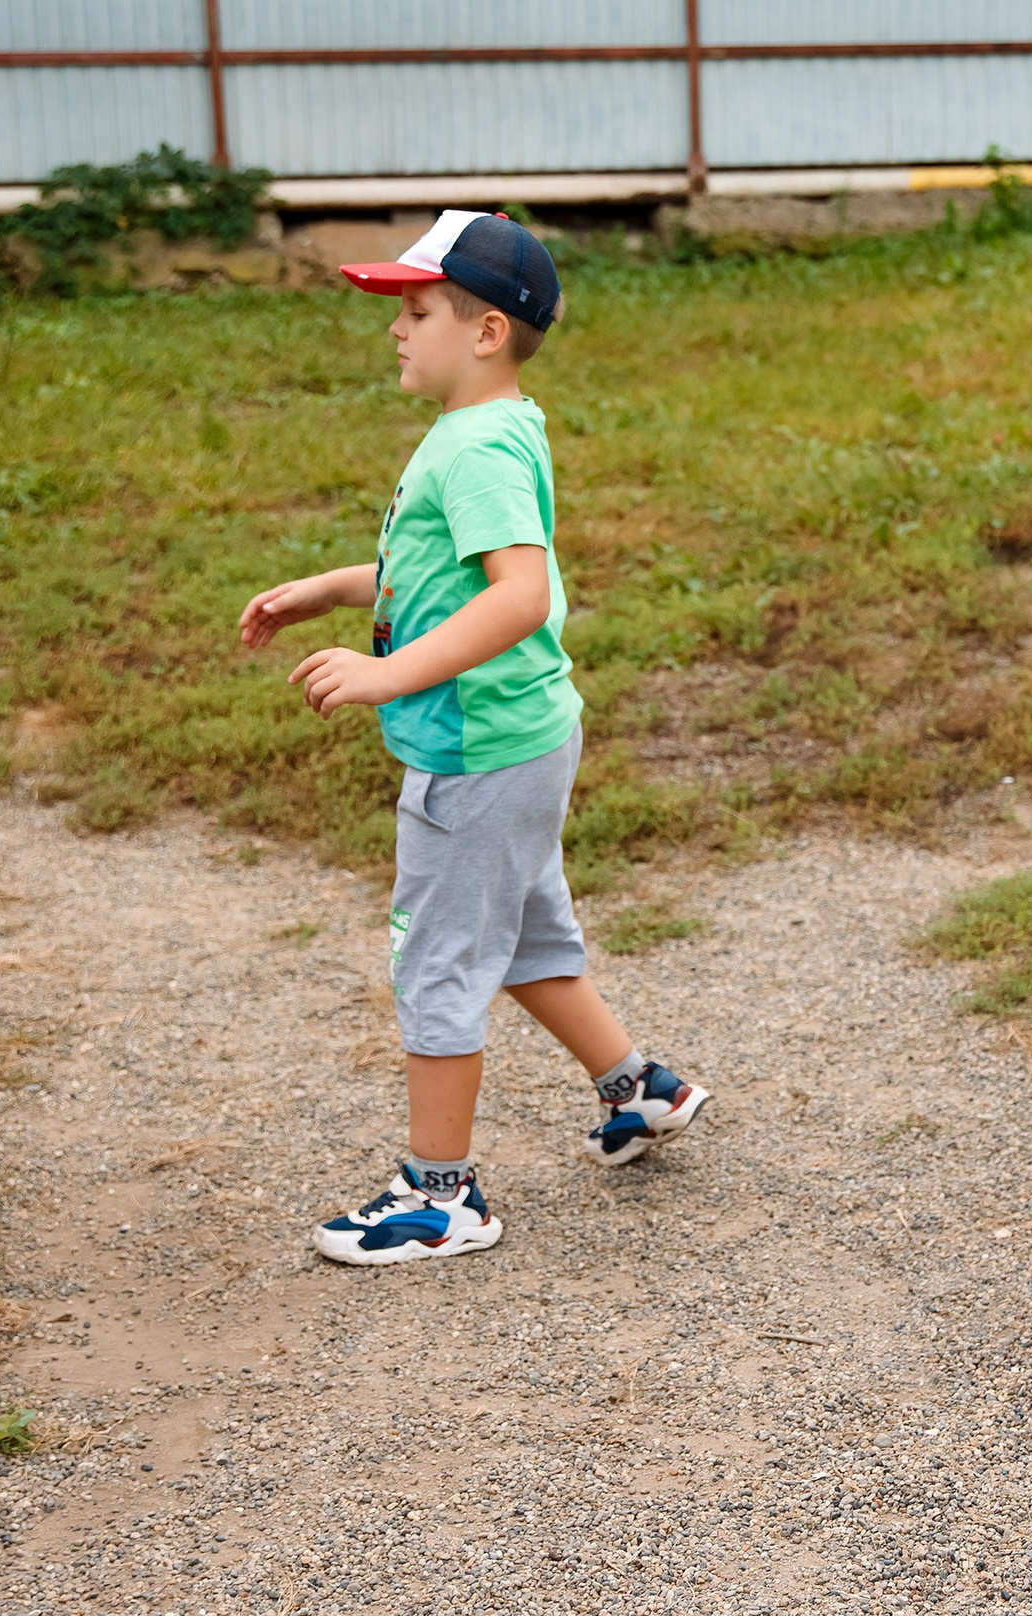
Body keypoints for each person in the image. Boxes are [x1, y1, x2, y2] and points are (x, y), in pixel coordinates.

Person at [237, 211, 710, 1267]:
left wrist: (385, 674)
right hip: (522, 737)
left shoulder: (477, 447)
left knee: (441, 961)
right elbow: (447, 580)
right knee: (528, 935)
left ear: (486, 329)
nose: (395, 331)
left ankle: (441, 1196)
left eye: (415, 312)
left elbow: (520, 598)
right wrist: (330, 592)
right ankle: (640, 1089)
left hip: (476, 748)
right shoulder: (493, 430)